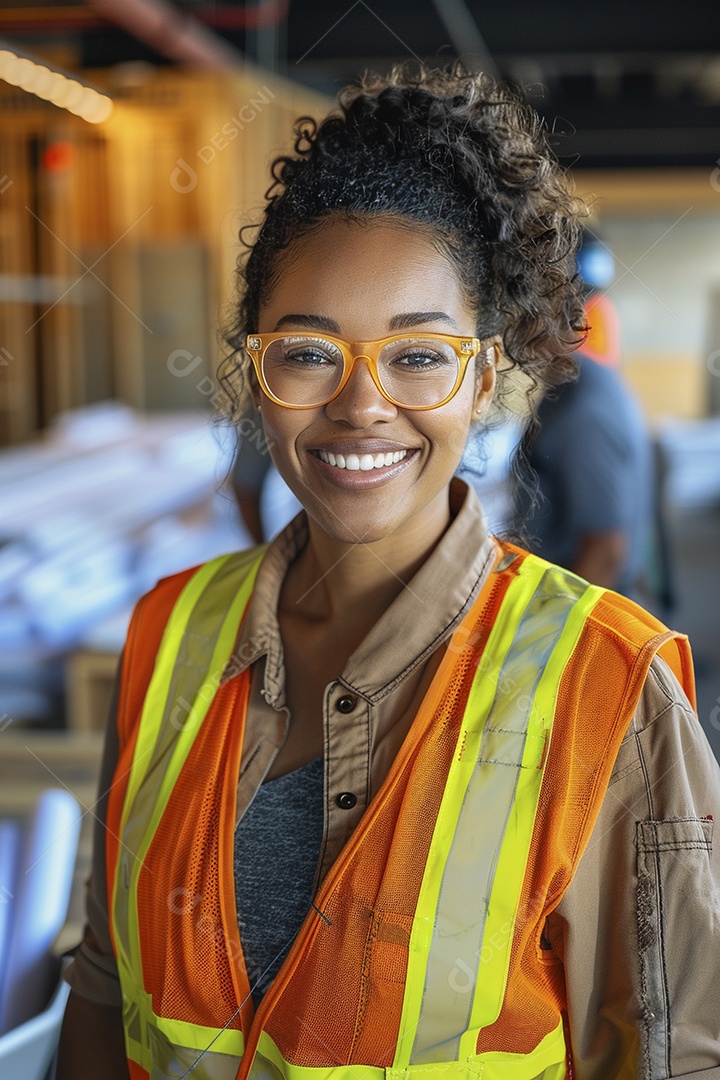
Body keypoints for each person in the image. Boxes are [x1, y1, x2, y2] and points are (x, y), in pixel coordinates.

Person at [57, 64, 720, 1080]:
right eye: (309, 353)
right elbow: (106, 988)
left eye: (418, 357)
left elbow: (679, 1054)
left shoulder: (611, 688)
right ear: (258, 373)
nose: (362, 407)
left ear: (484, 379)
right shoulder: (169, 633)